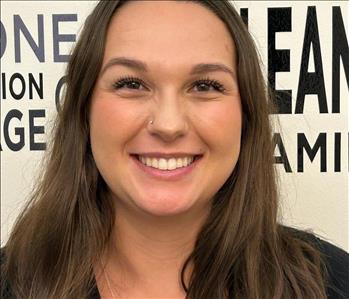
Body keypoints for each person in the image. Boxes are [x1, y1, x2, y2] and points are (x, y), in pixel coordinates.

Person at [1, 1, 349, 298]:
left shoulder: (332, 283)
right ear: (84, 109)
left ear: (246, 115)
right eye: (131, 84)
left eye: (204, 85)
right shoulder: (10, 282)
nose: (168, 125)